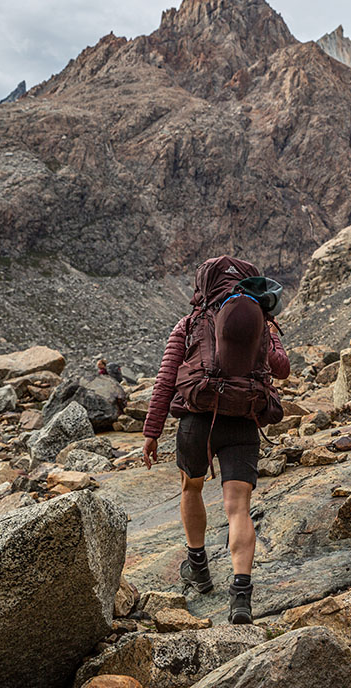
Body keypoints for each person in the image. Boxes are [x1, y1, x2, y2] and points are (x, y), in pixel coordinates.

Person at [142, 256, 289, 624]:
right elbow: (282, 368)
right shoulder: (259, 321)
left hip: (197, 421)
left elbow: (166, 379)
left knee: (191, 489)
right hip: (242, 420)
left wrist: (152, 431)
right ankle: (241, 597)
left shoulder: (189, 324)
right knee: (237, 506)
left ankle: (200, 569)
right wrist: (265, 333)